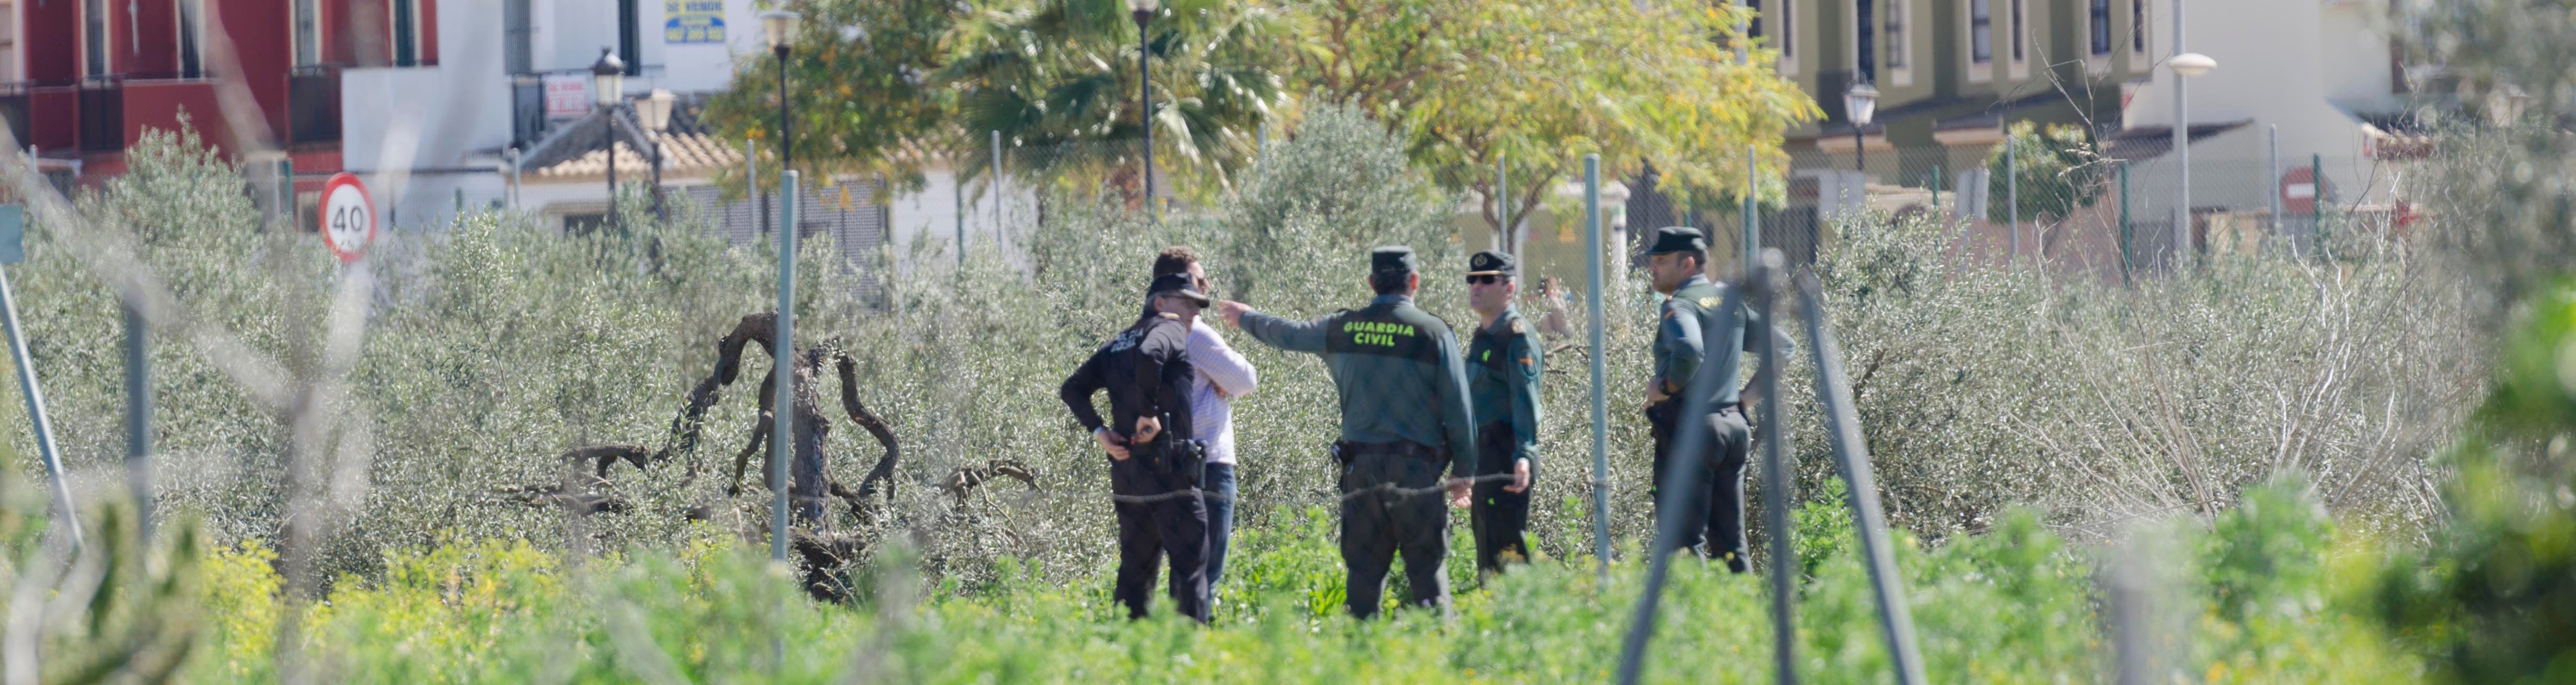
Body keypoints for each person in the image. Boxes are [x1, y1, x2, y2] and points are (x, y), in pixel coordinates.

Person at [1214, 246, 1476, 619]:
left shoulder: (1343, 328)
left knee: (1364, 577)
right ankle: (1439, 661)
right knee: (1427, 574)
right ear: (1414, 282)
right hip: (1418, 474)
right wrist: (1465, 471)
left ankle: (1357, 660)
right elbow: (1460, 409)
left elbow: (1288, 334)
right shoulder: (1433, 332)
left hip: (1362, 472)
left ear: (1371, 283)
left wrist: (1247, 318)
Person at [1058, 272, 1215, 622]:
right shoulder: (1168, 329)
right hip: (1170, 471)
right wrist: (1149, 414)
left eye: (1198, 306)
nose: (1195, 313)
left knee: (1135, 572)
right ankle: (1190, 660)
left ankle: (1128, 654)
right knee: (1191, 569)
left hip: (1129, 473)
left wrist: (1101, 432)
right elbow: (1150, 354)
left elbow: (1072, 389)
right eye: (1187, 303)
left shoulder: (1118, 343)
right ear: (1161, 303)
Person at [1640, 226, 1787, 574]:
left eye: (1661, 261)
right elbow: (1784, 348)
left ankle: (1698, 625)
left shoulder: (1682, 305)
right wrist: (1745, 400)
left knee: (1685, 544)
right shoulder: (1728, 303)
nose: (1653, 268)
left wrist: (1667, 387)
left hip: (1693, 429)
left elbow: (1690, 350)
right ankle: (1743, 623)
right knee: (1732, 546)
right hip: (1732, 428)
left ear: (1687, 263)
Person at [1149, 247, 1258, 596]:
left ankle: (1174, 645)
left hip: (1166, 466)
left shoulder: (1149, 332)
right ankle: (1192, 646)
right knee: (1203, 578)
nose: (1206, 285)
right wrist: (1222, 380)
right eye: (1198, 279)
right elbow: (1246, 380)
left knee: (1182, 577)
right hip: (1208, 465)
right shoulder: (1194, 333)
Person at [1463, 250, 1543, 576]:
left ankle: (1521, 621)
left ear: (1509, 289)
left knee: (1507, 555)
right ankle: (1496, 621)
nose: (1476, 286)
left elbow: (1526, 400)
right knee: (1487, 552)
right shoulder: (1485, 336)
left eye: (1487, 280)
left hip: (1503, 457)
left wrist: (1524, 456)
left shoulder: (1516, 337)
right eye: (1472, 280)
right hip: (1483, 455)